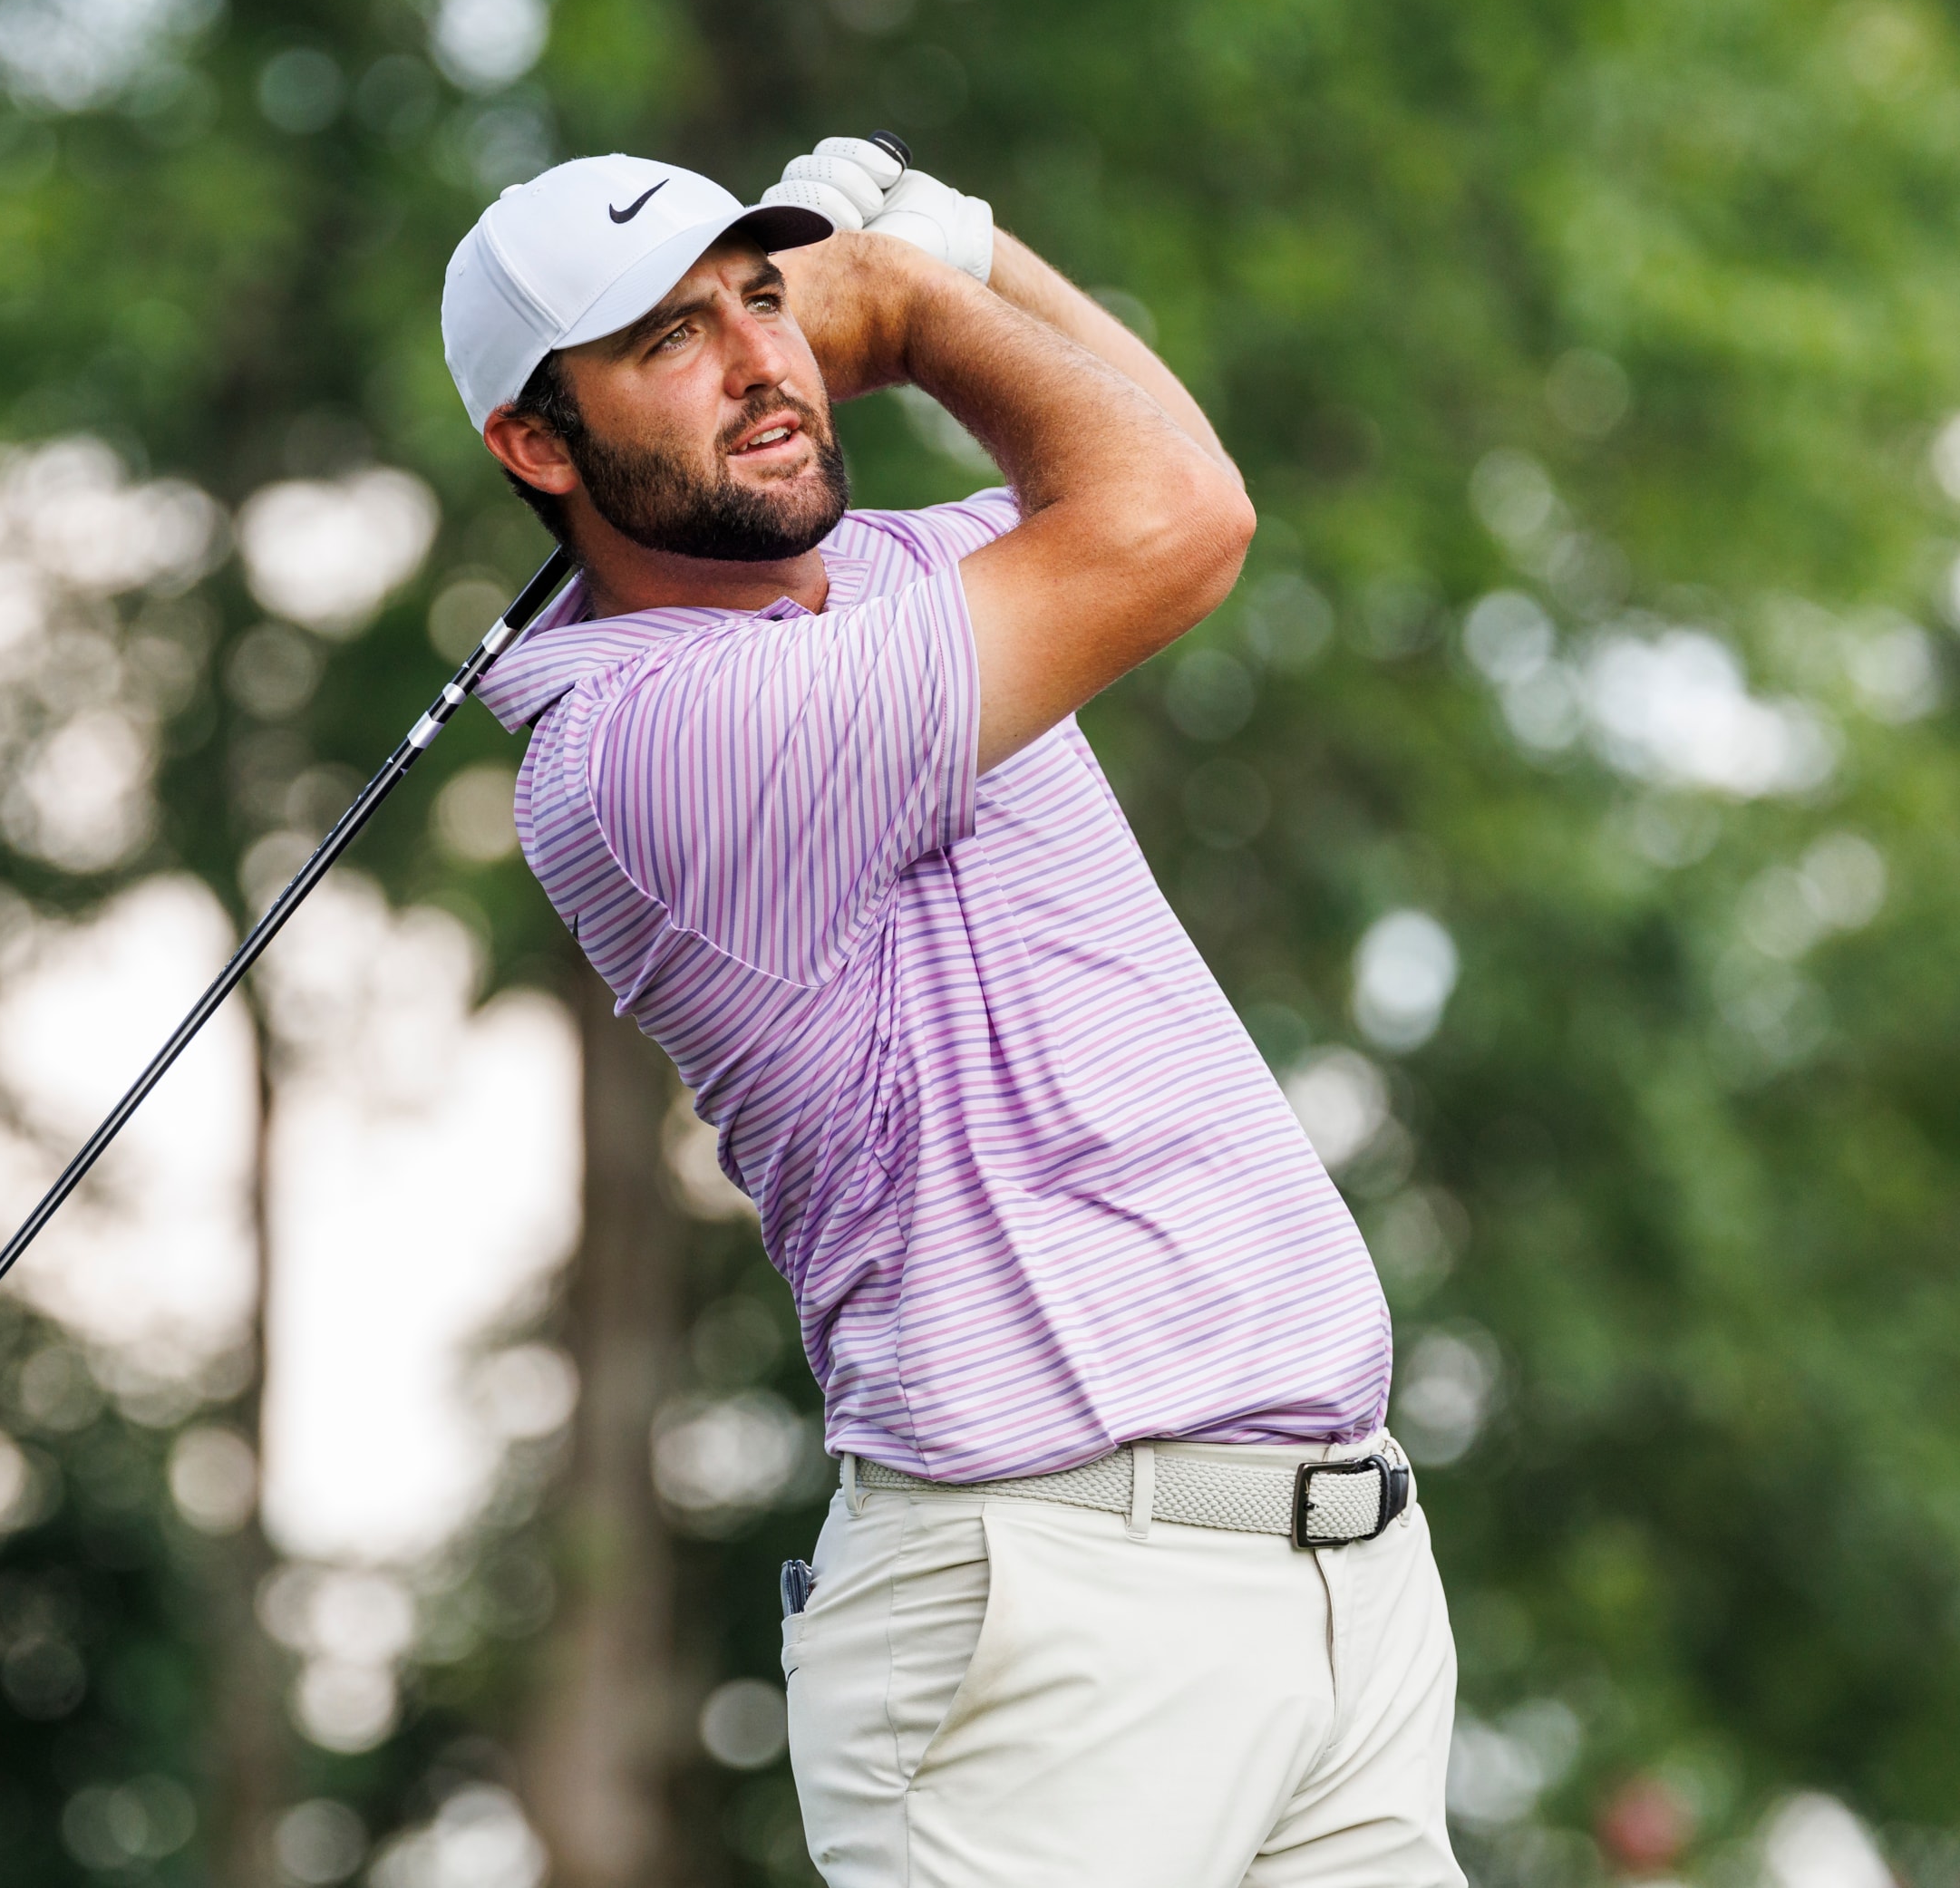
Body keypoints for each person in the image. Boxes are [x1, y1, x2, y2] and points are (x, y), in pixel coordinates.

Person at [439, 142, 1463, 1888]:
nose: (764, 360)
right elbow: (1176, 527)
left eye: (769, 299)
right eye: (670, 339)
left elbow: (1170, 461)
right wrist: (912, 306)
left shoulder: (906, 581)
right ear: (541, 445)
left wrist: (979, 253)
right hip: (1048, 1632)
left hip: (1342, 1593)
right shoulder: (644, 753)